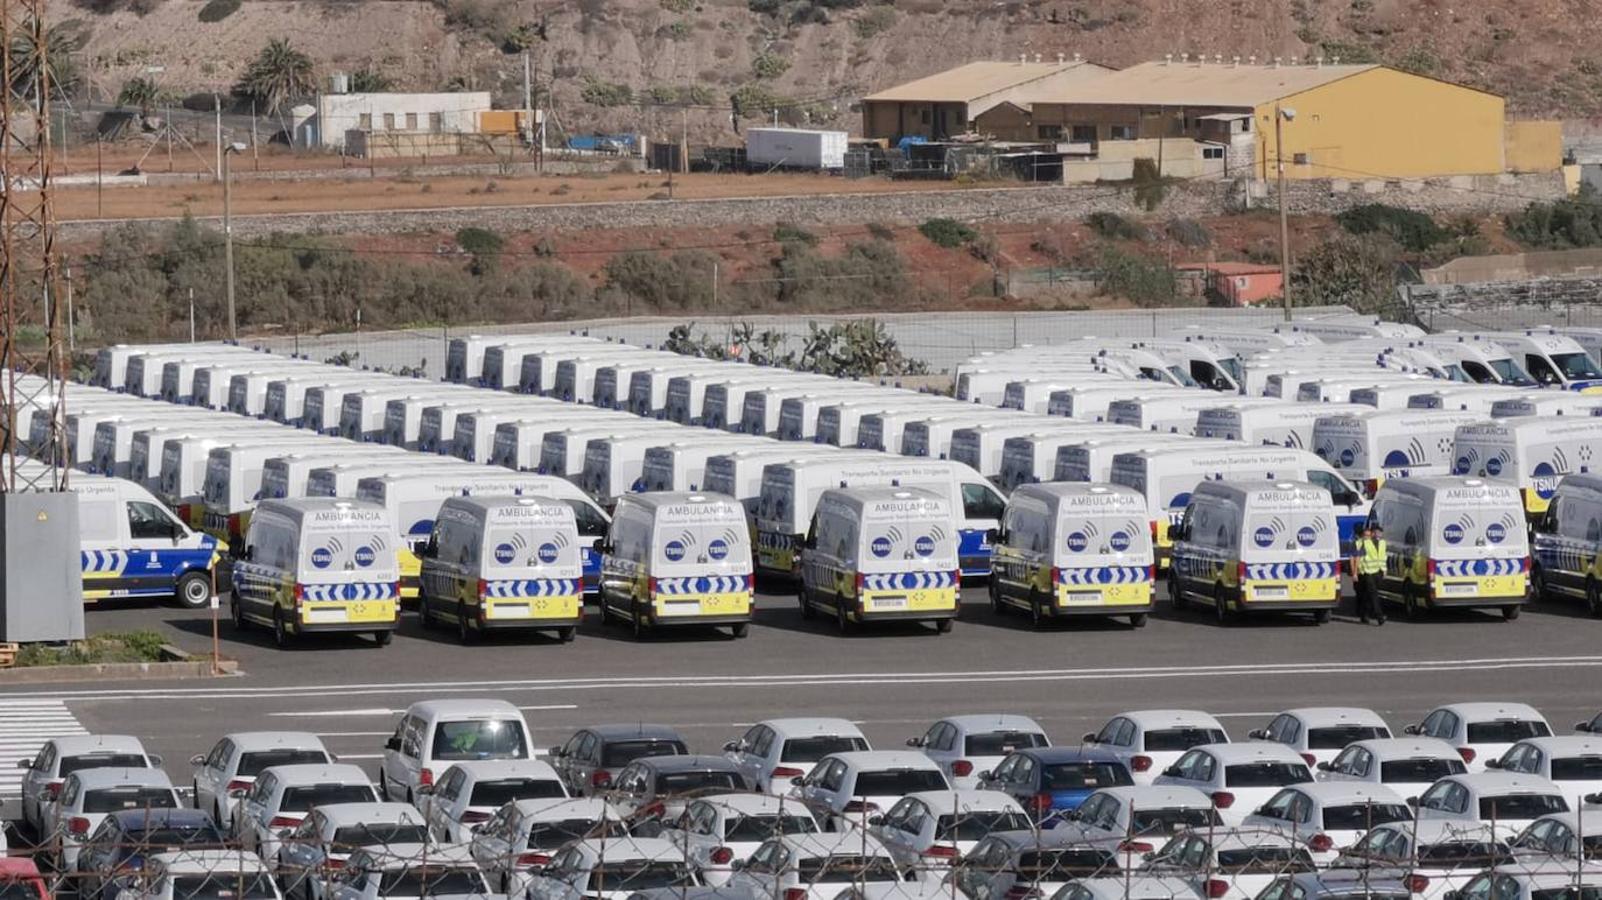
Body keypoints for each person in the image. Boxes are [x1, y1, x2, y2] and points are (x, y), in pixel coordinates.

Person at [1352, 523, 1387, 625]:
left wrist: (1384, 569)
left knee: (1368, 595)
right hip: (1367, 572)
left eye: (1379, 532)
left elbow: (1383, 557)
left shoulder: (1382, 543)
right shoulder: (1364, 543)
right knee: (1374, 594)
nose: (1378, 533)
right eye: (1376, 532)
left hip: (1378, 572)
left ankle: (1364, 615)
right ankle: (1379, 616)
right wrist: (1355, 572)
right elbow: (1357, 558)